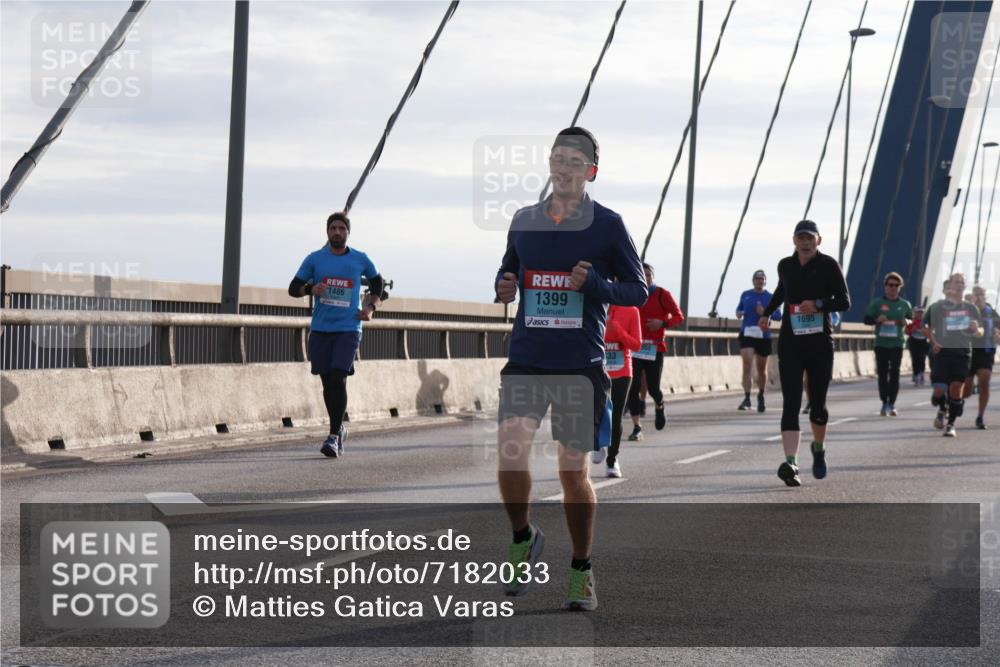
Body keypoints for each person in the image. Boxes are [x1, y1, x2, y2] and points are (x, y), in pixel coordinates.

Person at [494, 127, 647, 611]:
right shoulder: (524, 220)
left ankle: (581, 568)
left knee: (571, 472)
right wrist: (504, 285)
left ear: (591, 172)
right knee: (510, 454)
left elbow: (637, 290)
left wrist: (597, 284)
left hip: (580, 366)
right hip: (527, 359)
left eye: (574, 162)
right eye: (557, 158)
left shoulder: (609, 225)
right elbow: (508, 270)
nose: (563, 168)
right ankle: (523, 535)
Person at [760, 220, 850, 487]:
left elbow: (845, 301)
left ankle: (819, 449)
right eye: (801, 238)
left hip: (820, 343)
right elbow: (782, 290)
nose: (806, 243)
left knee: (817, 406)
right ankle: (792, 463)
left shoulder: (829, 265)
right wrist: (768, 313)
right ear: (794, 241)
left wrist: (819, 304)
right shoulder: (785, 265)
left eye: (810, 238)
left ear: (818, 241)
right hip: (791, 342)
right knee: (790, 402)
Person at [289, 212, 382, 458]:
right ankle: (339, 428)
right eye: (333, 228)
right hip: (321, 328)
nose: (337, 232)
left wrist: (370, 308)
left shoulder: (360, 259)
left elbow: (378, 283)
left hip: (349, 328)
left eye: (341, 228)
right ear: (327, 232)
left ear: (348, 232)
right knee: (327, 382)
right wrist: (311, 288)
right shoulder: (315, 259)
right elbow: (293, 288)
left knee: (339, 378)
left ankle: (332, 437)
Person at [626, 263, 685, 440]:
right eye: (642, 274)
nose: (645, 278)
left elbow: (679, 317)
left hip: (654, 348)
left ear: (653, 277)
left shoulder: (662, 294)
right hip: (635, 348)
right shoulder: (633, 294)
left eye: (648, 275)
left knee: (653, 388)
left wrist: (662, 323)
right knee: (633, 388)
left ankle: (660, 405)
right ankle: (637, 427)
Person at [923, 273, 983, 437]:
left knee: (956, 389)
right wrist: (933, 342)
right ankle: (943, 408)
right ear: (949, 286)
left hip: (962, 352)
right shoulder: (938, 307)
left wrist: (976, 330)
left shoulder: (971, 308)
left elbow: (981, 331)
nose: (959, 285)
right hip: (942, 352)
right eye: (956, 282)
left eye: (962, 282)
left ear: (965, 287)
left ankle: (951, 424)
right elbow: (926, 327)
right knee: (939, 389)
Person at [863, 272, 913, 416]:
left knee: (895, 373)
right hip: (881, 344)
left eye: (896, 285)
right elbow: (866, 319)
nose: (893, 288)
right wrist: (877, 320)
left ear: (900, 288)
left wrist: (907, 321)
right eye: (890, 285)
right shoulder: (877, 303)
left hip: (897, 343)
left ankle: (892, 403)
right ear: (885, 286)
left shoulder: (904, 304)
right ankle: (884, 402)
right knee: (883, 374)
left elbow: (911, 320)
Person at [601, 303, 641, 477]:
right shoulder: (594, 306)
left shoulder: (631, 311)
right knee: (597, 412)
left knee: (616, 415)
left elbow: (637, 345)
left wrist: (618, 331)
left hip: (622, 371)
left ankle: (612, 460)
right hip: (598, 369)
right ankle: (597, 442)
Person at [735, 269, 781, 412]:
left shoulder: (771, 297)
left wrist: (765, 313)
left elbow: (778, 316)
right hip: (747, 333)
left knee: (761, 369)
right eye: (757, 279)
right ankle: (747, 397)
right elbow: (738, 309)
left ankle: (761, 395)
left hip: (763, 335)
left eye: (762, 279)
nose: (759, 281)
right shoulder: (746, 294)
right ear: (753, 281)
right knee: (747, 364)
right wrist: (739, 313)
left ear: (765, 281)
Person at [965, 285, 999, 429]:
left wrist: (998, 336)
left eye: (981, 295)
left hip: (985, 353)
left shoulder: (993, 314)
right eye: (976, 294)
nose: (978, 297)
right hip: (967, 352)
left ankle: (980, 416)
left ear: (986, 297)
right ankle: (955, 402)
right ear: (972, 297)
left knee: (984, 382)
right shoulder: (966, 311)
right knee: (966, 390)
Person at [906, 306, 929, 386]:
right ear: (915, 313)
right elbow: (906, 331)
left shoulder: (926, 322)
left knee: (922, 358)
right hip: (913, 341)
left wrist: (925, 331)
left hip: (924, 341)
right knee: (915, 358)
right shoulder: (911, 321)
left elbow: (931, 332)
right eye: (918, 312)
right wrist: (912, 330)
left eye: (921, 313)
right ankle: (916, 374)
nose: (919, 314)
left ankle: (921, 373)